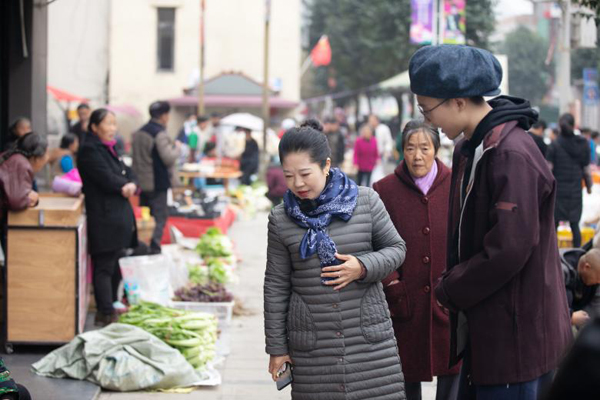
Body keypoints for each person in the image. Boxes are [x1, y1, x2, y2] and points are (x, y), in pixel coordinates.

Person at [409, 45, 571, 399]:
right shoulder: (475, 146)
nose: (427, 121)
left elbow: (508, 250)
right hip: (492, 329)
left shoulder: (510, 154)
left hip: (517, 337)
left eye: (427, 109)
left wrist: (450, 288)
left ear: (459, 101)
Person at [264, 119, 407, 399]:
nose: (297, 184)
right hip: (313, 344)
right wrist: (277, 349)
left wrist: (362, 267)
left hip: (368, 340)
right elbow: (276, 286)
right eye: (289, 176)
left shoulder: (366, 201)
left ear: (326, 165)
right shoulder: (281, 219)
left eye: (305, 173)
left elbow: (397, 249)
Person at [373, 120, 459, 400]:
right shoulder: (384, 189)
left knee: (453, 369)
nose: (417, 155)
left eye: (425, 148)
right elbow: (374, 242)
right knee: (404, 373)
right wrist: (392, 283)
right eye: (410, 148)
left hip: (448, 296)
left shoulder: (457, 183)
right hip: (403, 298)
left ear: (436, 149)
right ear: (402, 151)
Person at [78, 109, 138, 326]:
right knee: (104, 265)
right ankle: (104, 312)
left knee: (115, 263)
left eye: (114, 124)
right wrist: (124, 185)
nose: (113, 128)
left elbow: (128, 173)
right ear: (94, 127)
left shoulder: (111, 149)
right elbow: (106, 178)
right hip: (104, 216)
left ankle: (112, 302)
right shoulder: (89, 151)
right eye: (108, 124)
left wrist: (130, 184)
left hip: (117, 216)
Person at [131, 101, 180, 253]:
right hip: (157, 182)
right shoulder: (159, 133)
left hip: (140, 182)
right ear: (164, 116)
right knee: (159, 217)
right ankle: (154, 247)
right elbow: (168, 158)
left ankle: (140, 246)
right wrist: (177, 149)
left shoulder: (139, 132)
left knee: (144, 216)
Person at [547, 113, 592, 248]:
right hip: (575, 190)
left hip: (558, 190)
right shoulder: (582, 143)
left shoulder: (554, 145)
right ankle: (577, 253)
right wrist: (589, 186)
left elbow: (548, 170)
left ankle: (553, 254)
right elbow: (586, 169)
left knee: (554, 224)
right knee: (574, 224)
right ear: (573, 126)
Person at [561, 247, 600, 328]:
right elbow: (549, 304)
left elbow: (596, 310)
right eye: (598, 278)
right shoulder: (561, 272)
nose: (598, 281)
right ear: (586, 267)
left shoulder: (595, 279)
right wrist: (570, 316)